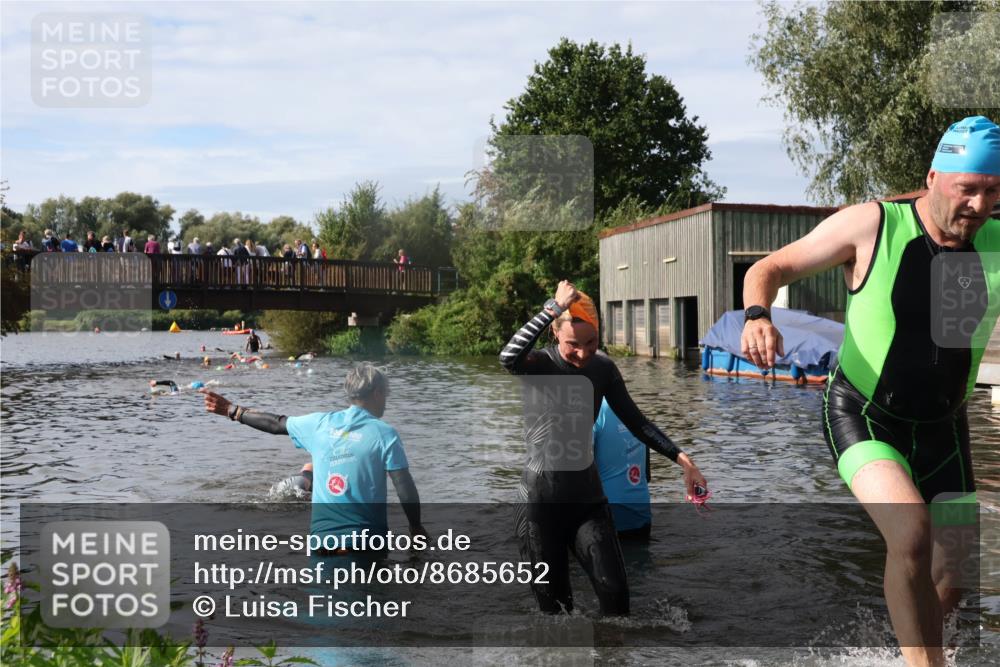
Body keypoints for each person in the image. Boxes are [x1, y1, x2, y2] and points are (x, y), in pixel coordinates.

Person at [741, 115, 1000, 667]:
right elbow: (770, 267)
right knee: (910, 532)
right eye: (968, 190)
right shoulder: (872, 225)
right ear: (933, 178)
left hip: (944, 429)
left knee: (956, 571)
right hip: (864, 414)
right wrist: (758, 314)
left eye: (993, 191)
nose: (979, 206)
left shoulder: (995, 244)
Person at [499, 281, 708, 616]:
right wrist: (552, 308)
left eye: (591, 342)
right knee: (556, 612)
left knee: (617, 601)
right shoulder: (539, 365)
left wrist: (683, 460)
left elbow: (637, 421)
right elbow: (508, 357)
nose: (582, 354)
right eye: (572, 345)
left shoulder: (603, 369)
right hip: (540, 506)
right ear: (555, 333)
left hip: (588, 502)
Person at [199, 363, 426, 549]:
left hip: (322, 543)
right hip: (365, 544)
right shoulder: (385, 434)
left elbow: (275, 423)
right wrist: (415, 527)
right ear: (377, 393)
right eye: (386, 395)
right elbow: (403, 487)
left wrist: (233, 410)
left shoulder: (319, 424)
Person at [593, 398, 652, 540]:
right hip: (641, 519)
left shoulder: (590, 415)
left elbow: (577, 481)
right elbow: (647, 475)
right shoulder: (633, 409)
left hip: (606, 525)